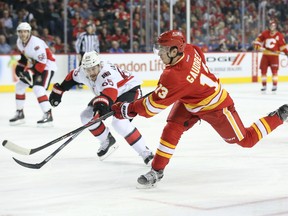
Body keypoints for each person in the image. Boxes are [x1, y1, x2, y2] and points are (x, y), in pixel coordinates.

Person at [111, 29, 288, 188]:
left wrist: (126, 109)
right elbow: (197, 61)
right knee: (172, 128)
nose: (159, 54)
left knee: (246, 140)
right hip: (191, 99)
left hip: (216, 108)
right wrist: (183, 87)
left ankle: (279, 116)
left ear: (174, 51)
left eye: (163, 50)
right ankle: (157, 170)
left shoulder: (173, 76)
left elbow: (150, 109)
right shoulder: (189, 49)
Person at [49, 51, 154, 164]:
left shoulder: (106, 74)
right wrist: (60, 90)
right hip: (108, 94)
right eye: (88, 70)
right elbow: (72, 77)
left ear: (100, 65)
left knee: (119, 123)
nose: (91, 72)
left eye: (94, 69)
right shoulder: (82, 72)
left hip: (129, 90)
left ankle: (146, 153)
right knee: (86, 116)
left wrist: (100, 108)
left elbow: (110, 93)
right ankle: (107, 141)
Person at [9, 22, 57, 126]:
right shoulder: (19, 42)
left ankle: (48, 115)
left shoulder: (36, 43)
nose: (23, 34)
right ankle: (20, 113)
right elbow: (24, 57)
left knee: (38, 89)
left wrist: (29, 71)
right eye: (20, 32)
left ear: (29, 32)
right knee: (19, 86)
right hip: (35, 65)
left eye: (25, 32)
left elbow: (42, 63)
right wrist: (20, 66)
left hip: (47, 66)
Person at [253, 20, 288, 92]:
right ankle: (264, 85)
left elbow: (283, 47)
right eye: (271, 25)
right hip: (265, 55)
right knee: (263, 70)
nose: (272, 27)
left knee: (274, 71)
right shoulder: (265, 33)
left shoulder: (279, 35)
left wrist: (286, 53)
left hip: (274, 56)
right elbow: (257, 41)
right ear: (269, 26)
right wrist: (258, 47)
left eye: (273, 26)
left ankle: (274, 85)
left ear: (276, 26)